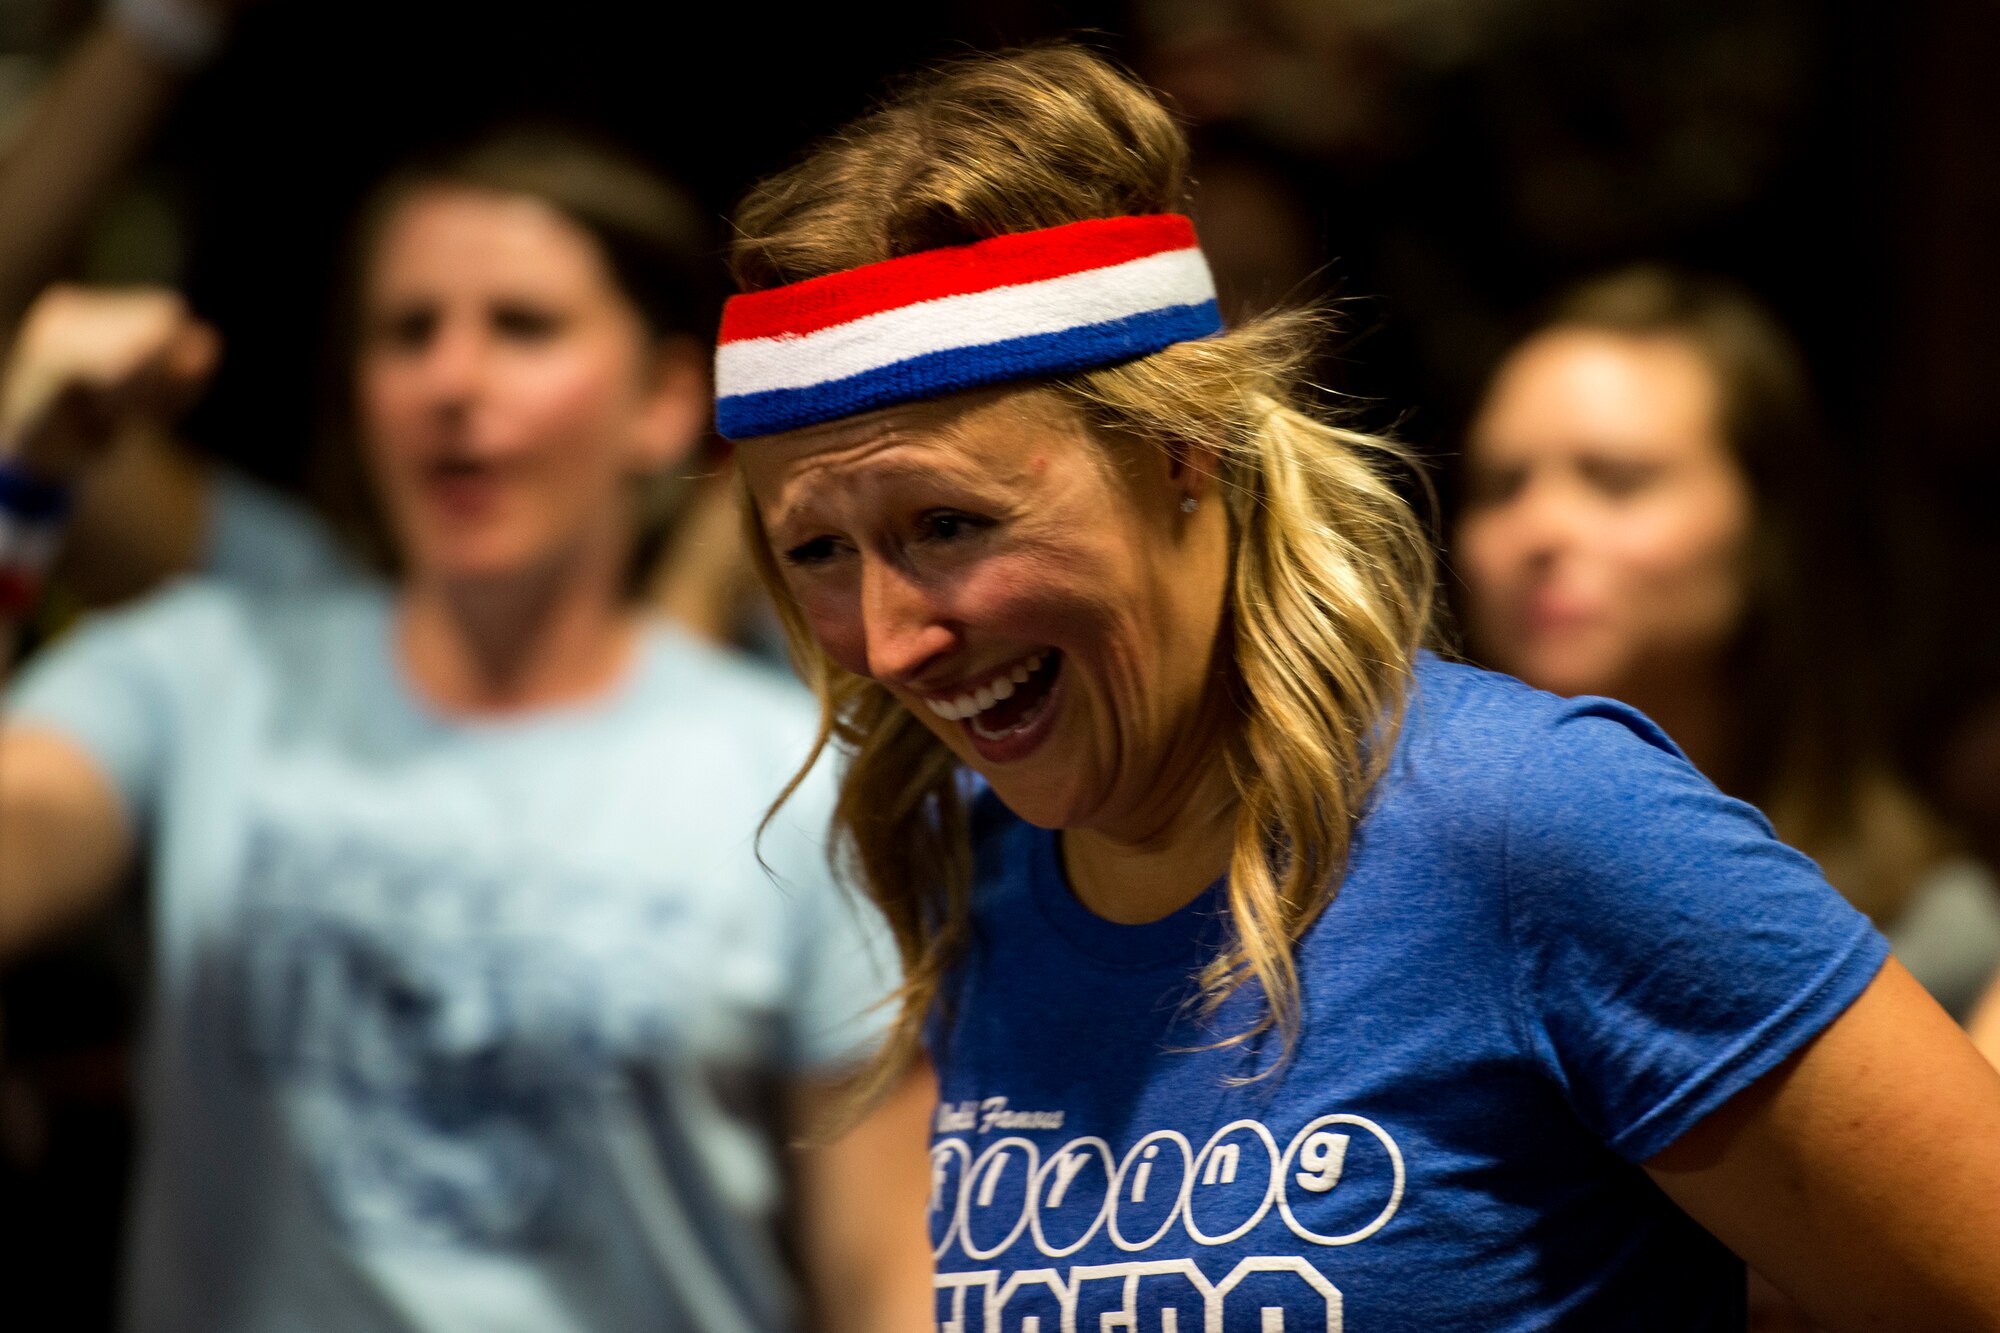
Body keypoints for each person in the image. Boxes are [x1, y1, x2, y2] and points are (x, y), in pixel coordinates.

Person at [718, 43, 2000, 1331]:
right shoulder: (971, 874)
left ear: (1178, 453)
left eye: (948, 524)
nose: (887, 644)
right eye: (817, 553)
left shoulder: (1539, 826)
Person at [0, 124, 930, 1331]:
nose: (452, 381)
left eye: (522, 328)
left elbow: (886, 1275)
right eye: (407, 332)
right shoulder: (207, 671)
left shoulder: (790, 778)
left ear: (659, 403)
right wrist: (19, 489)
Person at [1453, 266, 2000, 1021]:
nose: (1540, 528)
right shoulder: (1404, 896)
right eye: (1501, 484)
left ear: (1764, 534)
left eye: (1618, 479)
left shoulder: (1930, 946)